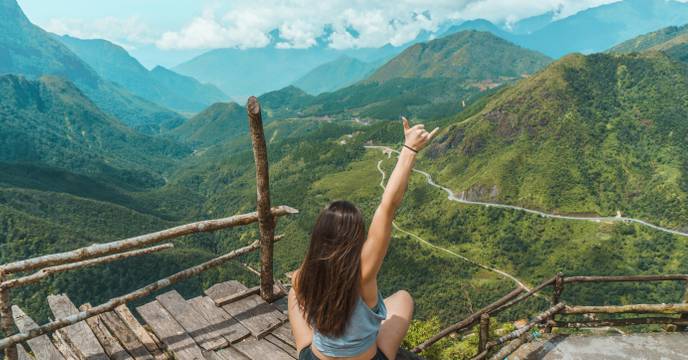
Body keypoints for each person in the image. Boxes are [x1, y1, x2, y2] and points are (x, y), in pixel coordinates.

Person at [289, 117, 440, 360]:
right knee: (402, 298)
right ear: (357, 237)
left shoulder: (302, 277)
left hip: (313, 358)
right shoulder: (363, 274)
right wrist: (410, 149)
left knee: (293, 294)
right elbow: (387, 206)